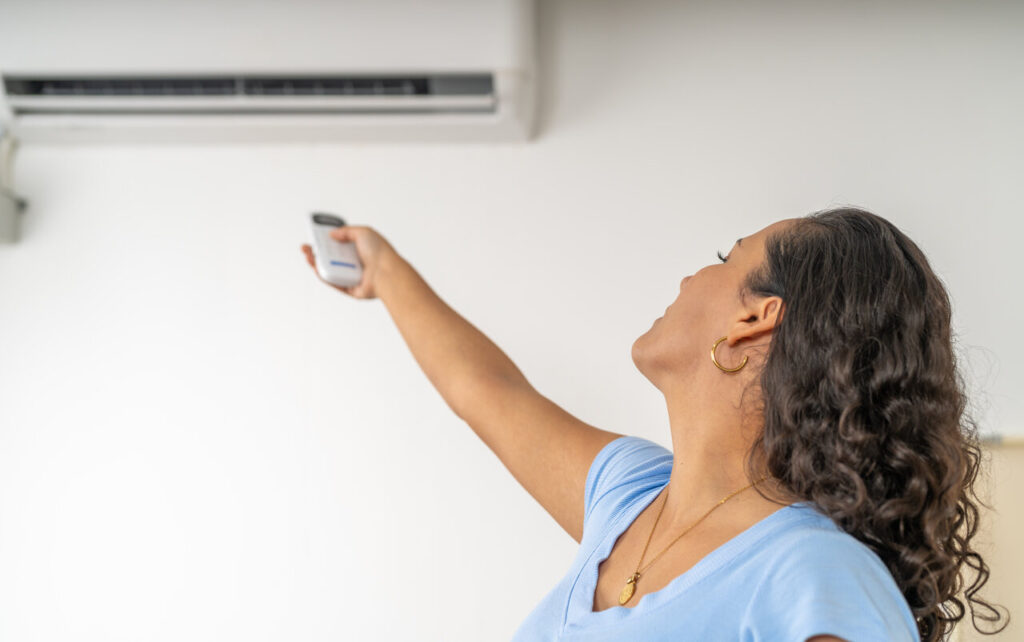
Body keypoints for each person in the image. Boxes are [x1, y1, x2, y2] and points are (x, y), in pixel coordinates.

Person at [300, 206, 1007, 641]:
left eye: (724, 259)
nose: (692, 275)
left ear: (755, 318)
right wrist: (385, 273)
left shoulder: (814, 573)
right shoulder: (630, 494)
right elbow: (485, 391)